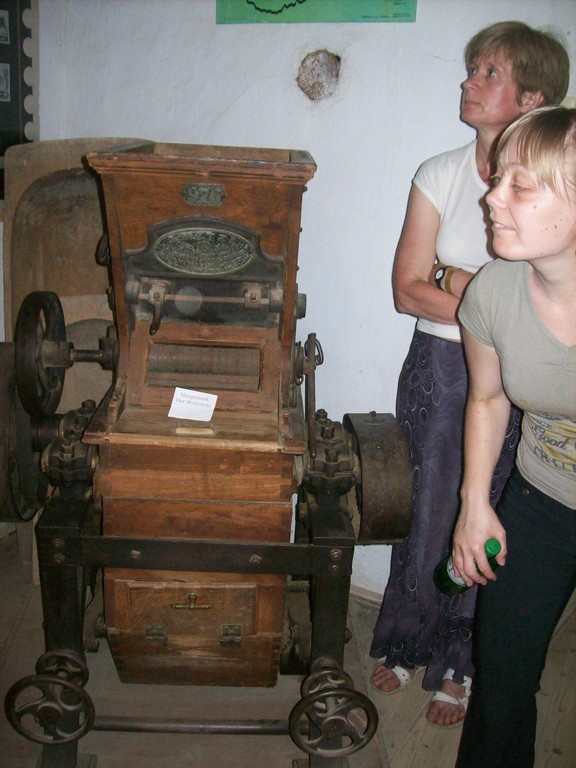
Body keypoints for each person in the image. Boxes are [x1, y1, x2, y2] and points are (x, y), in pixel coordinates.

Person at [369, 21, 570, 728]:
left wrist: (455, 280)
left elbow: (543, 293)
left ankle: (462, 660)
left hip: (527, 371)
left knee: (495, 516)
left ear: (533, 97)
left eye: (489, 72)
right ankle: (406, 637)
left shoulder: (557, 189)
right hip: (439, 363)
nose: (468, 81)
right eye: (472, 68)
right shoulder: (440, 172)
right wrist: (478, 296)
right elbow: (406, 290)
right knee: (427, 506)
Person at [453, 105, 576, 767]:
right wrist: (474, 504)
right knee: (500, 686)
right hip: (544, 497)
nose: (492, 198)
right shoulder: (494, 292)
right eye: (497, 178)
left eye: (520, 185)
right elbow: (488, 396)